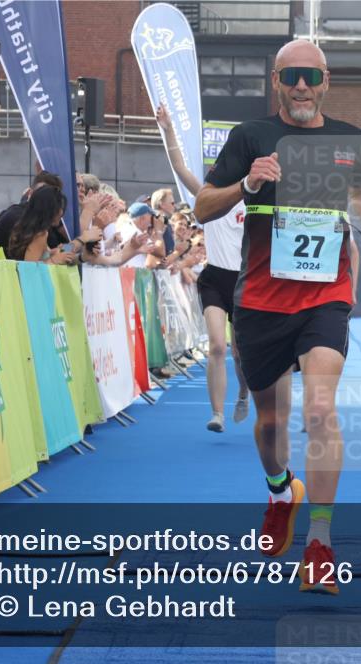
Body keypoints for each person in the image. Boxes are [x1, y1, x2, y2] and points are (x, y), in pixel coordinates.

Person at [194, 39, 361, 595]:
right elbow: (202, 206)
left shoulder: (349, 138)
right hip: (261, 299)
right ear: (276, 82)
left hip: (325, 295)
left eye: (311, 75)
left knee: (321, 408)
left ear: (327, 80)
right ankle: (281, 490)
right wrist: (247, 184)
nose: (301, 86)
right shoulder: (250, 136)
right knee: (271, 423)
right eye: (290, 76)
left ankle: (320, 544)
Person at [156, 103, 250, 432]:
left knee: (240, 352)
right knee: (217, 346)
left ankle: (243, 392)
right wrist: (168, 129)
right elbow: (180, 167)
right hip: (215, 278)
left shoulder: (255, 199)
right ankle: (217, 414)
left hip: (244, 281)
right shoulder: (209, 196)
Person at [5, 186, 79, 264]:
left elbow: (36, 256)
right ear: (50, 210)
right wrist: (55, 259)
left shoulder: (26, 228)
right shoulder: (40, 235)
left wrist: (52, 252)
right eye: (60, 207)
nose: (61, 212)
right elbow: (30, 267)